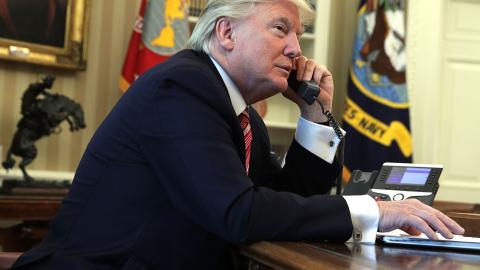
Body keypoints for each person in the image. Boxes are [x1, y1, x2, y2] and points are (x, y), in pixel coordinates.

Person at [12, 0, 464, 269]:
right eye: (280, 29)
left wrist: (314, 115)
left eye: (300, 35)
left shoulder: (242, 115)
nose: (295, 48)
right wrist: (372, 211)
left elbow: (288, 198)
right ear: (226, 32)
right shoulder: (182, 88)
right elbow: (239, 213)